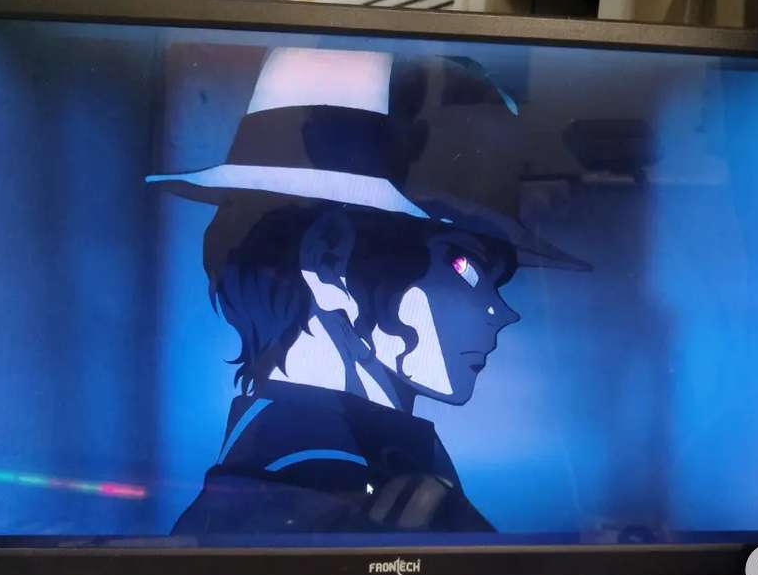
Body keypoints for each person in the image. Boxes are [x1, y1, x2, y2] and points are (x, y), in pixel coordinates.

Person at [147, 46, 588, 538]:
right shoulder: (303, 494)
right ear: (329, 260)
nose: (503, 312)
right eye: (464, 266)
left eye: (495, 279)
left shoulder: (374, 466)